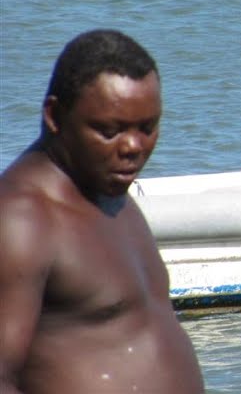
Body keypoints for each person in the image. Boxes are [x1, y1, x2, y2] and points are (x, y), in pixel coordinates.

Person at [0, 30, 204, 394]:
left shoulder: (113, 198)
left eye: (147, 128)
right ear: (54, 116)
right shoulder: (21, 219)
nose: (132, 147)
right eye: (109, 130)